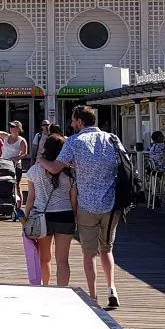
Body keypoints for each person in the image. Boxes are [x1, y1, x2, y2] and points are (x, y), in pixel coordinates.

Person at [48, 106, 122, 309]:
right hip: (111, 203)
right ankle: (112, 289)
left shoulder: (74, 141)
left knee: (89, 254)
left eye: (73, 121)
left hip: (87, 204)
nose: (72, 125)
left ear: (80, 121)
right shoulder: (112, 139)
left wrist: (41, 161)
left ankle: (93, 297)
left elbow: (56, 168)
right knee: (107, 249)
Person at [22, 136, 76, 287]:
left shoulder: (34, 170)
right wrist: (76, 217)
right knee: (63, 260)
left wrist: (26, 218)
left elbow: (31, 198)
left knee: (44, 258)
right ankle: (62, 290)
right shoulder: (70, 172)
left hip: (42, 217)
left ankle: (45, 287)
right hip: (65, 215)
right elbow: (73, 200)